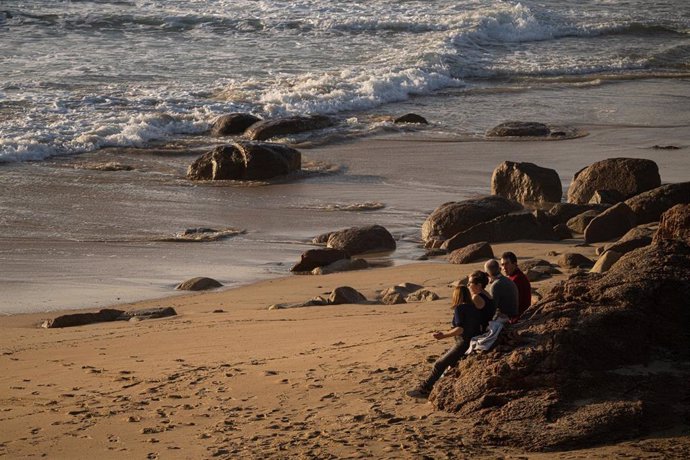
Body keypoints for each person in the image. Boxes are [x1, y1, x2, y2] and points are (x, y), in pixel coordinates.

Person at [407, 285, 481, 398]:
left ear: (457, 296)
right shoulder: (474, 307)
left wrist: (443, 335)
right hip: (473, 341)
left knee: (439, 364)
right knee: (447, 363)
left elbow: (460, 329)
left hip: (463, 343)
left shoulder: (460, 308)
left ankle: (424, 389)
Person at [500, 251, 531, 320]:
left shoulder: (517, 279)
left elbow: (514, 305)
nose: (504, 268)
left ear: (514, 264)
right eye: (502, 265)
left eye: (507, 264)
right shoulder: (515, 276)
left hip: (518, 318)